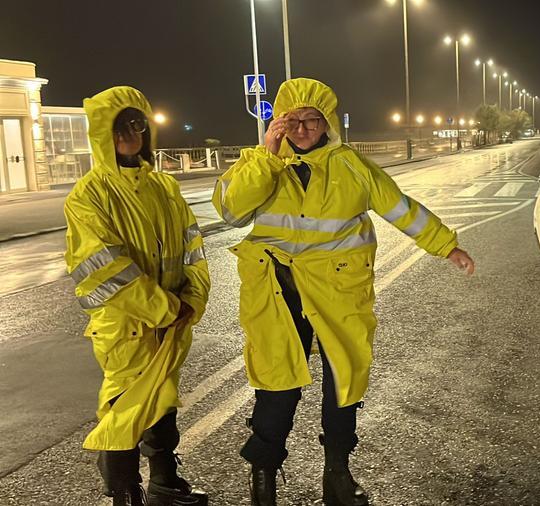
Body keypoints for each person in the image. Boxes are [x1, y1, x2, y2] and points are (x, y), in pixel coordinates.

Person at [213, 78, 475, 506]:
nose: (301, 129)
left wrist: (446, 246)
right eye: (291, 120)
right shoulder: (258, 164)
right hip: (276, 289)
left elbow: (399, 207)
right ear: (278, 123)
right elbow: (230, 210)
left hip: (339, 288)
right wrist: (267, 155)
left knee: (343, 381)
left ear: (327, 123)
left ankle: (337, 472)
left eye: (311, 120)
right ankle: (263, 477)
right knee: (277, 384)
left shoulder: (353, 165)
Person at [64, 86, 211, 506]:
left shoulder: (163, 187)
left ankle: (165, 482)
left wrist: (192, 300)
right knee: (124, 410)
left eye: (137, 123)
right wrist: (167, 308)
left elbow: (192, 249)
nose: (130, 133)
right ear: (101, 134)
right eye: (120, 125)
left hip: (171, 320)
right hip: (126, 327)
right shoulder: (89, 195)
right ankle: (123, 492)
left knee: (163, 400)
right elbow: (104, 268)